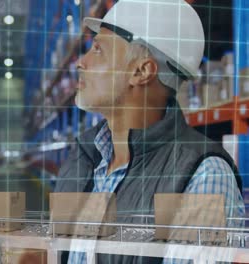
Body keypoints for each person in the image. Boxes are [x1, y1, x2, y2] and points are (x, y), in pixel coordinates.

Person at [54, 0, 245, 263]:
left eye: (98, 50)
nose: (81, 62)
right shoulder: (83, 160)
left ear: (141, 71)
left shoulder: (204, 177)